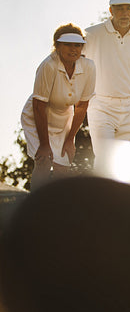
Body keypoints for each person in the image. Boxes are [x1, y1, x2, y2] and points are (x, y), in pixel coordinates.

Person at [21, 24, 96, 189]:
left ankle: (59, 210)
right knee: (44, 160)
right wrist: (44, 144)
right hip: (37, 115)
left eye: (77, 45)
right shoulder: (48, 66)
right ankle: (37, 208)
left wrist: (70, 139)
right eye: (67, 44)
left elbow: (82, 106)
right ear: (57, 46)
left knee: (63, 167)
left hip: (63, 116)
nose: (73, 49)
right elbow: (39, 106)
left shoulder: (89, 67)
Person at [83, 0, 130, 166]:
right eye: (119, 8)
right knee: (105, 160)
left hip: (129, 106)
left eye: (128, 8)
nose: (124, 12)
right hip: (101, 105)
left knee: (125, 163)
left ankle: (119, 194)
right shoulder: (90, 34)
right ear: (110, 10)